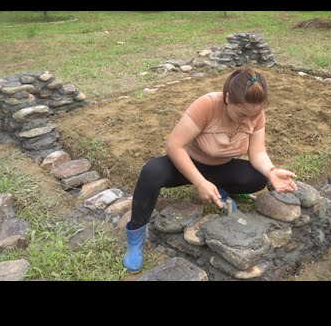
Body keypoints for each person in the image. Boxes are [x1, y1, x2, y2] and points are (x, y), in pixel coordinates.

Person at [123, 67, 298, 273]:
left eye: (254, 115)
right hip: (187, 164)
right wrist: (199, 182)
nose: (248, 122)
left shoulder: (255, 114)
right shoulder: (207, 105)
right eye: (242, 114)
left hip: (220, 168)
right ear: (227, 99)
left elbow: (258, 152)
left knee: (258, 177)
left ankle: (218, 188)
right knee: (152, 171)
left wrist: (271, 171)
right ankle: (135, 238)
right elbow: (174, 145)